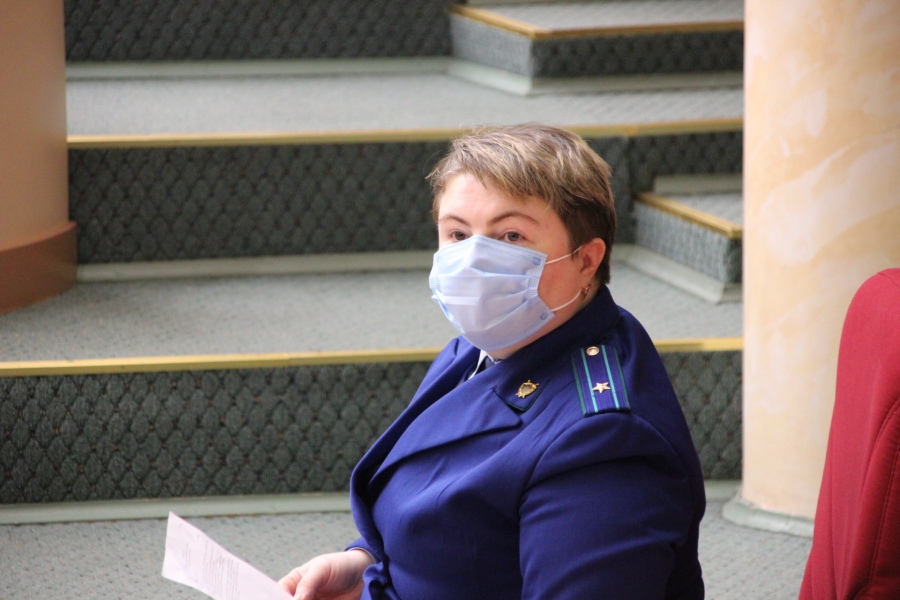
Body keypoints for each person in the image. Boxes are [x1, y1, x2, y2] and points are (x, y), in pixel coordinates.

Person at [279, 123, 706, 600]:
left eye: (511, 235)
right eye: (458, 233)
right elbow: (451, 517)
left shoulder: (604, 440)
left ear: (586, 260)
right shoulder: (487, 342)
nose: (474, 261)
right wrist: (365, 565)